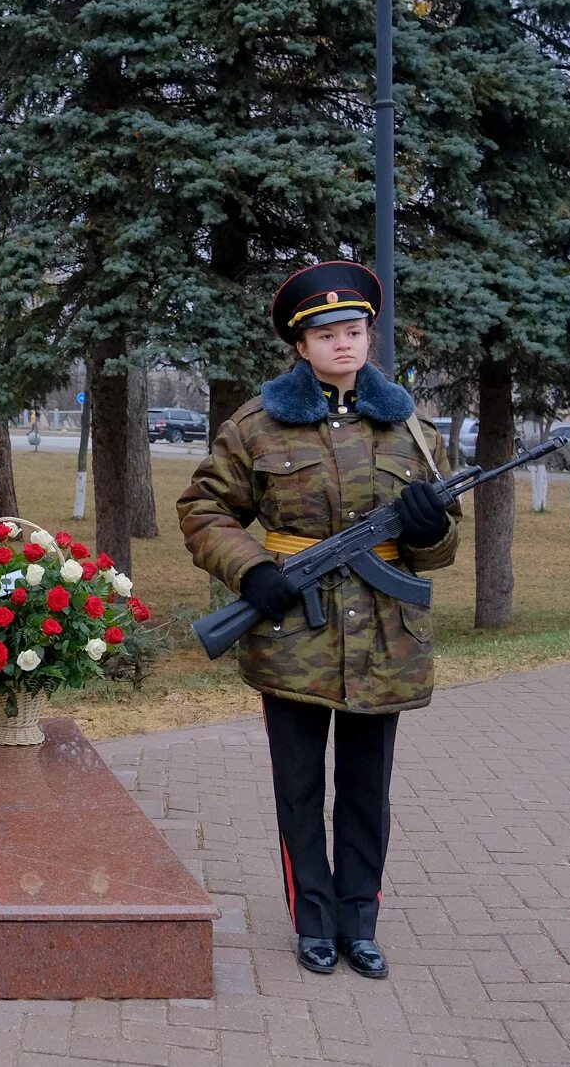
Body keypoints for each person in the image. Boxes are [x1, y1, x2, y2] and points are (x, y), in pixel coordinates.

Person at [177, 261, 460, 981]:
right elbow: (203, 509)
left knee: (368, 788)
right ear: (300, 345)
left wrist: (429, 529)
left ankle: (359, 920)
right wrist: (254, 569)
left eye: (355, 330)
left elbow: (445, 544)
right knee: (299, 787)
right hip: (293, 637)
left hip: (385, 637)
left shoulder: (410, 428)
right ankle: (314, 920)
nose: (344, 343)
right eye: (327, 333)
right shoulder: (257, 423)